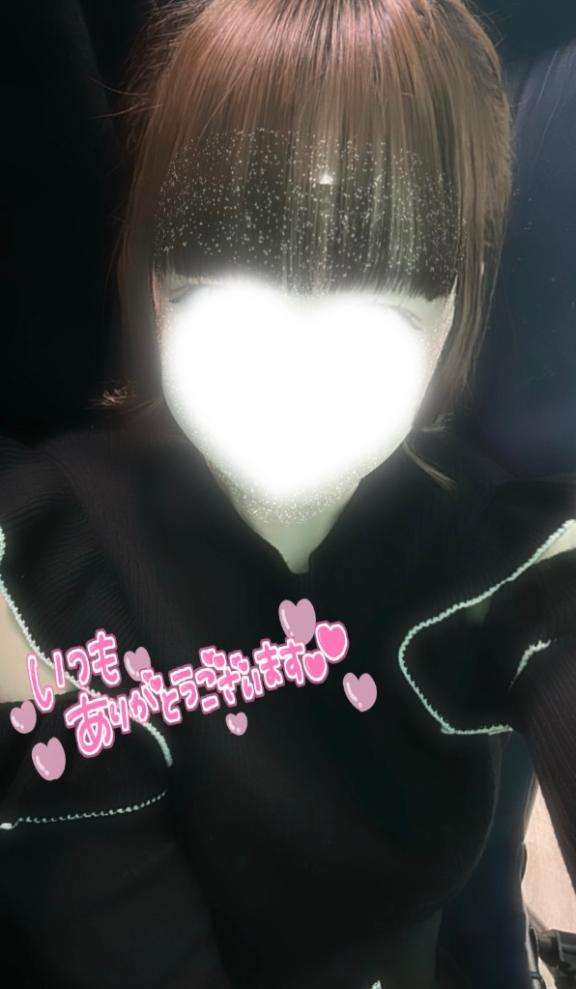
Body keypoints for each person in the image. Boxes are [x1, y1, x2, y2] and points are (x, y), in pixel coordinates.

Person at [0, 2, 575, 987]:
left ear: (459, 294)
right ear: (151, 264)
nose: (300, 347)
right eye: (234, 255)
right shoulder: (48, 567)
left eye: (379, 272)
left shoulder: (488, 548)